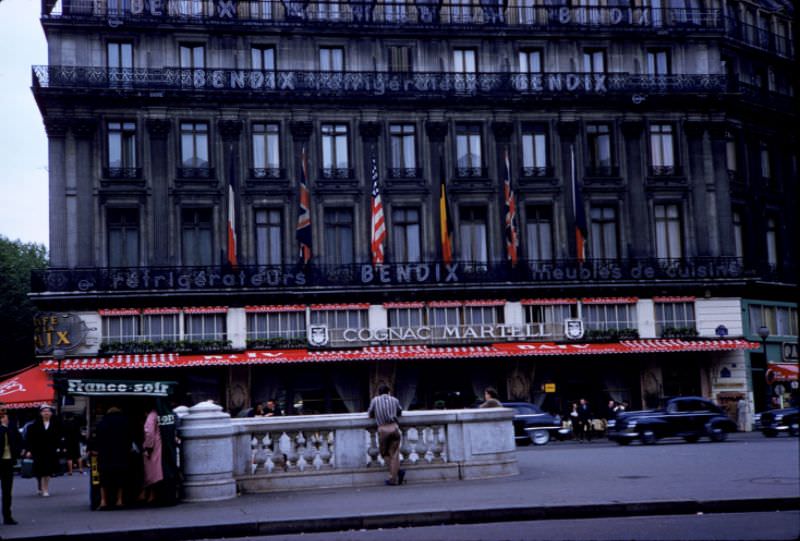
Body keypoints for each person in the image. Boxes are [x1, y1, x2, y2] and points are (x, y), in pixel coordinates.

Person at [95, 406, 132, 509]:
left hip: (105, 455)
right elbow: (129, 438)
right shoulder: (125, 422)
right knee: (120, 478)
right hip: (121, 454)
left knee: (104, 479)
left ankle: (103, 501)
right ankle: (119, 500)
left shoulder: (102, 422)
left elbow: (97, 438)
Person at [367, 384, 405, 486]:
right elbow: (400, 412)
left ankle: (393, 478)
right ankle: (397, 472)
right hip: (394, 427)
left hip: (383, 429)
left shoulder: (375, 400)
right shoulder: (395, 400)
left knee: (384, 453)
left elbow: (370, 413)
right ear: (388, 392)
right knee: (394, 453)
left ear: (379, 392)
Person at [24, 405, 61, 497]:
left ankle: (45, 488)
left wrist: (59, 447)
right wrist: (28, 450)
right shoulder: (33, 426)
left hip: (50, 450)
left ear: (51, 413)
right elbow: (29, 439)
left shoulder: (56, 425)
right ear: (40, 413)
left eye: (48, 411)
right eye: (44, 411)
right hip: (38, 450)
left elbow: (58, 437)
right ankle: (40, 486)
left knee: (47, 470)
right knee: (39, 471)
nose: (46, 413)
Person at [0, 406, 23, 524]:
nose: (3, 413)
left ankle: (7, 516)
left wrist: (19, 451)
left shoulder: (11, 424)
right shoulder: (3, 425)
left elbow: (18, 438)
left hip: (8, 460)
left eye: (4, 411)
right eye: (1, 411)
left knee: (7, 491)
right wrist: (3, 427)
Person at [142, 407, 164, 504]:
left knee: (151, 472)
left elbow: (149, 433)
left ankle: (151, 495)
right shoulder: (160, 414)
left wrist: (147, 446)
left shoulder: (151, 416)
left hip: (154, 447)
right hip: (160, 445)